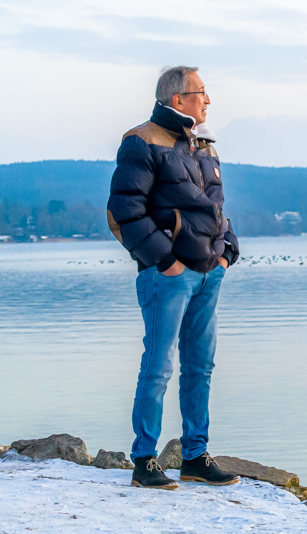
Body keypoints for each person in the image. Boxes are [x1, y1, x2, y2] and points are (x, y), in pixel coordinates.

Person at [107, 66, 240, 490]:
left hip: (207, 273)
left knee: (200, 368)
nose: (208, 100)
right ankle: (144, 460)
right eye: (202, 92)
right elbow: (125, 211)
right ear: (177, 98)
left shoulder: (204, 145)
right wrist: (166, 261)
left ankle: (195, 457)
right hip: (169, 275)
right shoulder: (141, 140)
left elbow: (215, 208)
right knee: (159, 367)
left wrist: (227, 251)